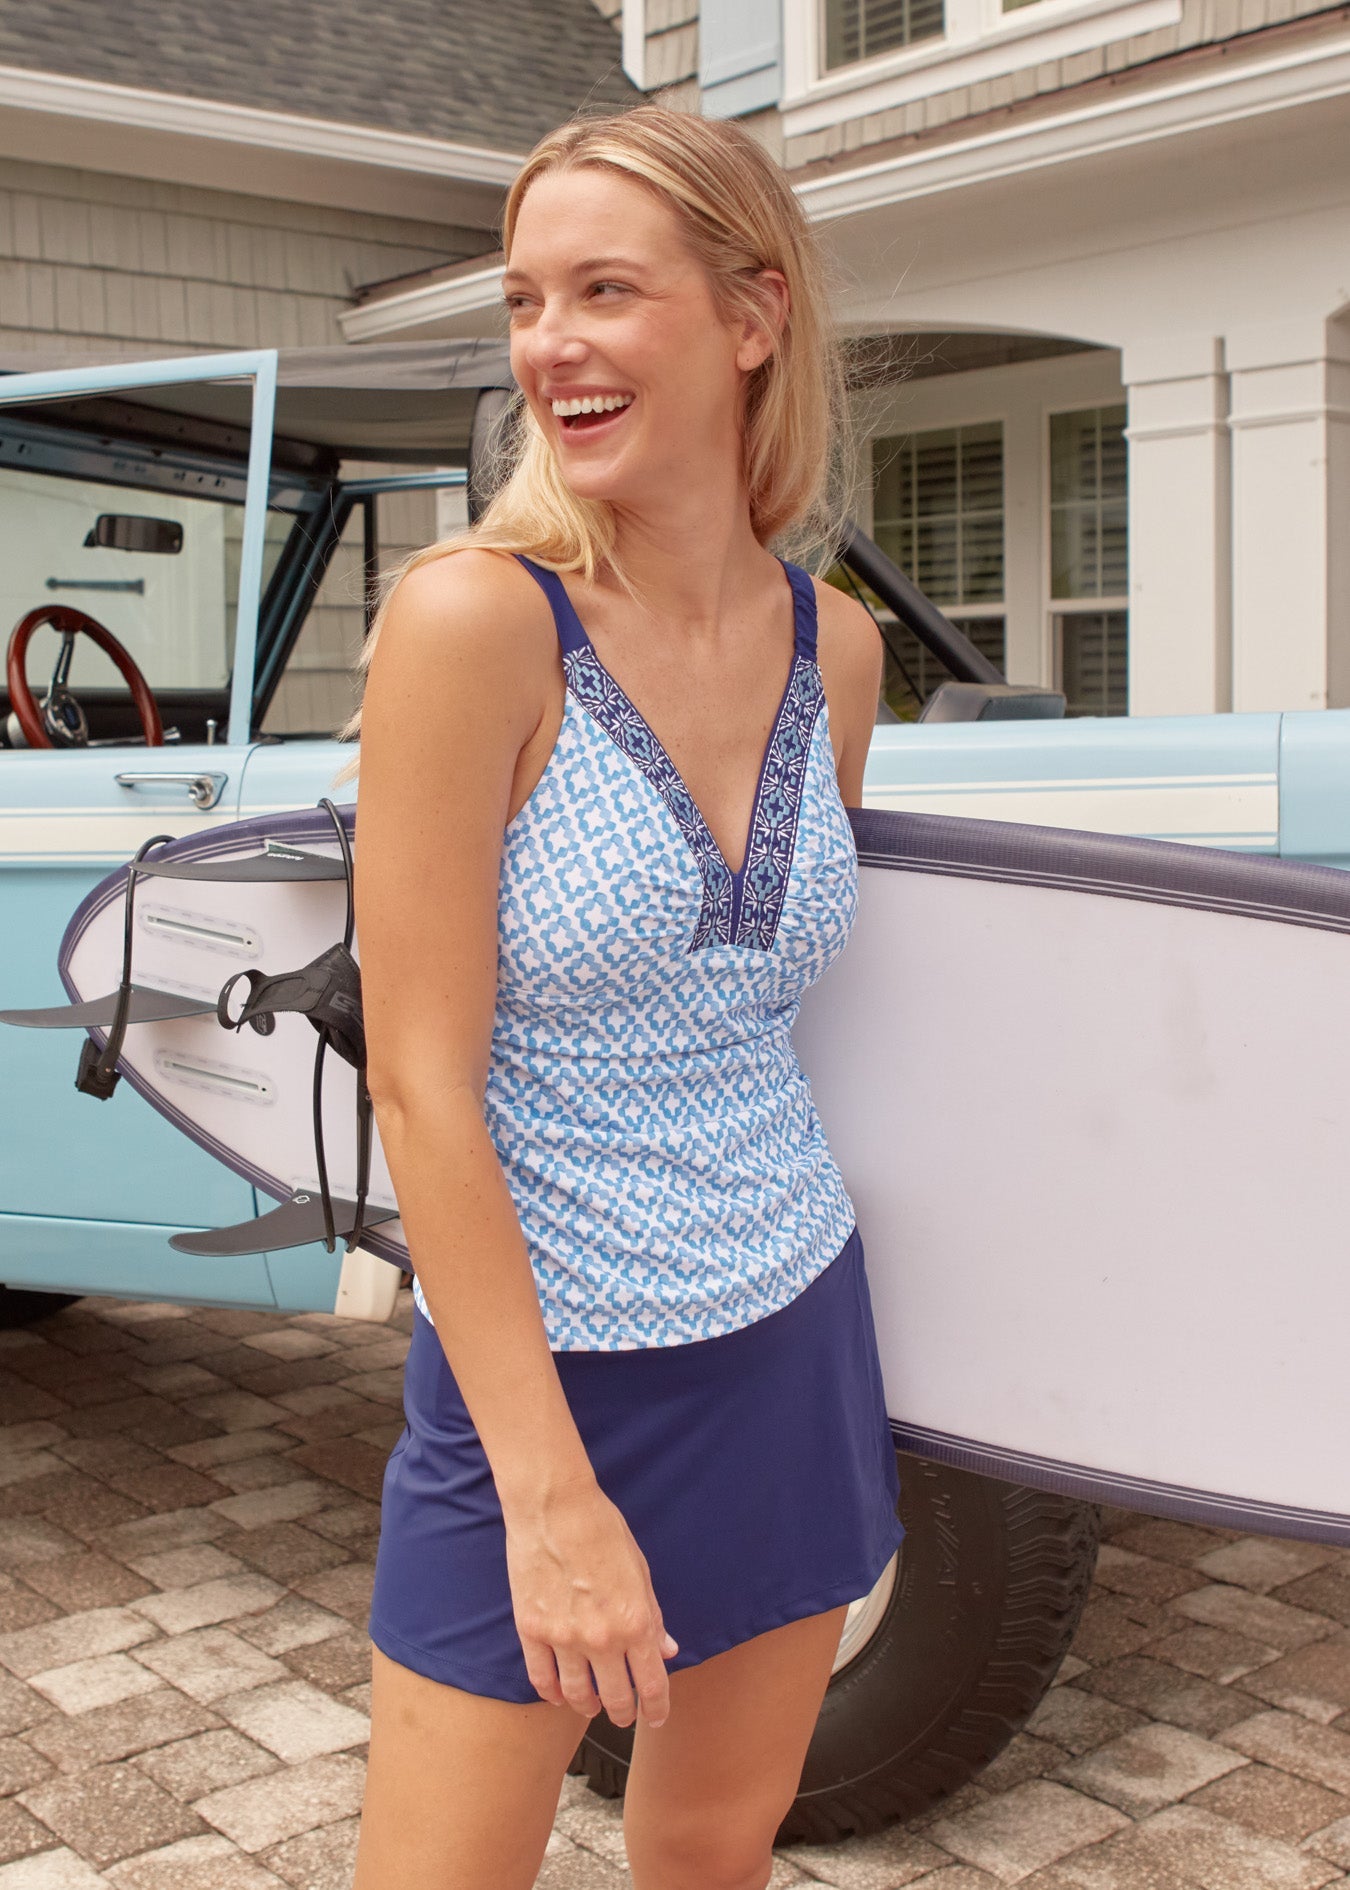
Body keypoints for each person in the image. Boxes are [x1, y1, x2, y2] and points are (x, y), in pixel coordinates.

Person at [348, 102, 905, 1890]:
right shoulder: (473, 621)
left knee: (713, 1855)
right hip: (547, 1380)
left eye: (604, 289)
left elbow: (762, 1006)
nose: (550, 346)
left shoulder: (838, 647)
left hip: (791, 1332)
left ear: (751, 318)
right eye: (526, 301)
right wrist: (546, 1491)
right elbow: (422, 1082)